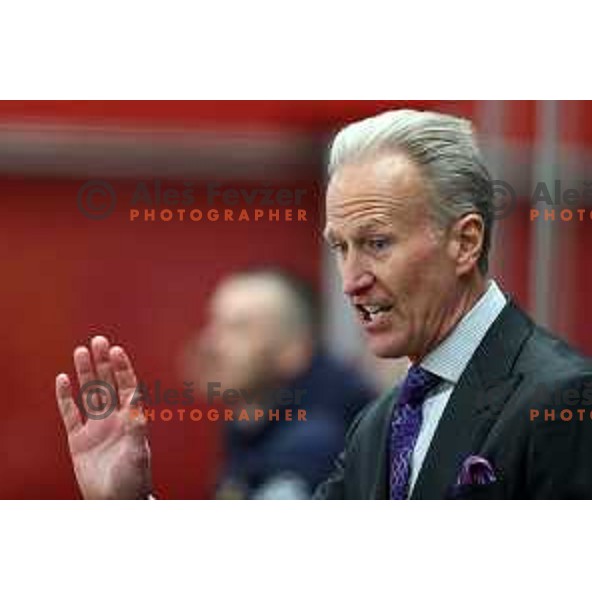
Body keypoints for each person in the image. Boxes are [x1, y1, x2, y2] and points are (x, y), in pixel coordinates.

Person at [56, 108, 592, 500]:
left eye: (377, 243)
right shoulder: (381, 423)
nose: (351, 280)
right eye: (341, 247)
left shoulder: (563, 400)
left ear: (465, 242)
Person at [195, 269, 373, 498]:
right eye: (215, 324)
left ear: (294, 351)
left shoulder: (312, 448)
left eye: (238, 329)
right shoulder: (252, 425)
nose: (211, 344)